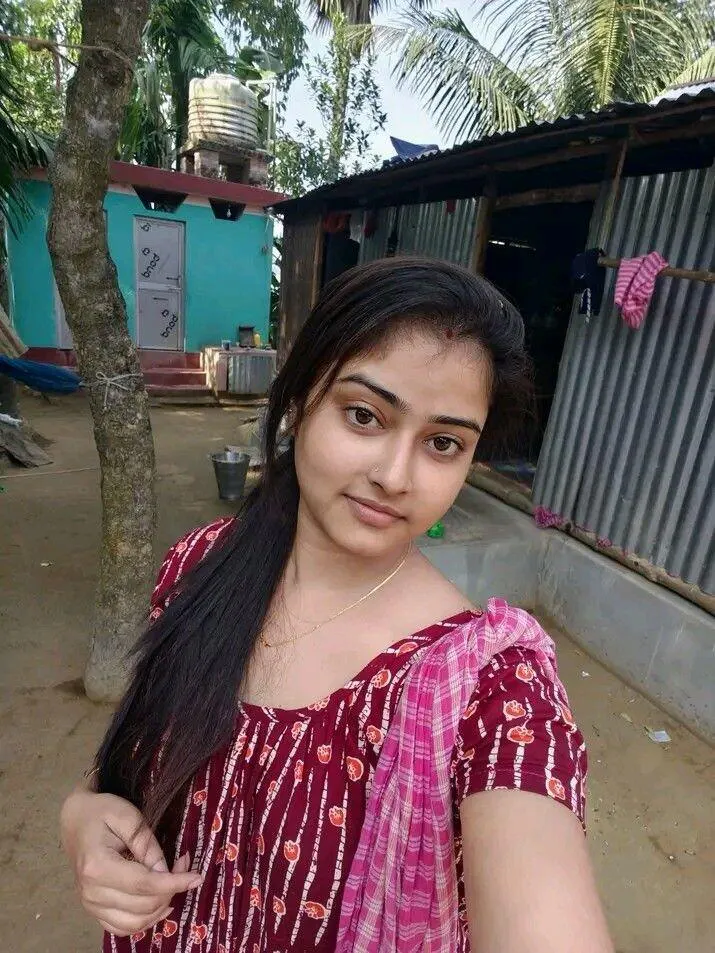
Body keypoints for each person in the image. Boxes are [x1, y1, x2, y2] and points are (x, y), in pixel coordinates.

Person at [60, 257, 613, 952]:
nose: (394, 475)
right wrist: (81, 818)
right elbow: (129, 762)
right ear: (298, 402)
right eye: (363, 415)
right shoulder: (201, 564)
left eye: (443, 443)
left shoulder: (490, 687)